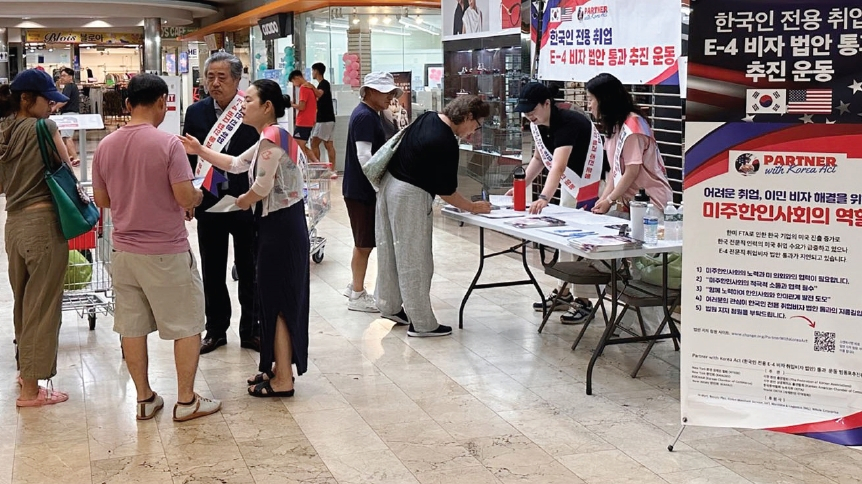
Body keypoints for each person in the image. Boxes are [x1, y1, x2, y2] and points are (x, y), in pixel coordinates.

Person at [92, 74, 221, 421]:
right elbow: (184, 196)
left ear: (128, 104)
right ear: (163, 102)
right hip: (165, 250)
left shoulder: (105, 146)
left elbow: (102, 199)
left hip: (124, 252)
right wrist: (196, 196)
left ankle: (145, 399)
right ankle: (186, 400)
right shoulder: (168, 145)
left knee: (132, 326)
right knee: (188, 323)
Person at [181, 79, 309, 398]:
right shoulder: (268, 136)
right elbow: (236, 164)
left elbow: (261, 187)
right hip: (274, 225)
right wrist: (199, 150)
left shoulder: (274, 137)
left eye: (249, 100)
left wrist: (241, 201)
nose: (243, 105)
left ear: (267, 107)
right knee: (272, 299)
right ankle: (278, 367)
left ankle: (283, 381)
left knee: (279, 302)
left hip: (281, 228)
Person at [376, 95, 492, 337]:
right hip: (409, 194)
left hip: (390, 185)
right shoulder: (445, 141)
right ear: (468, 116)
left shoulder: (428, 118)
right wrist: (472, 207)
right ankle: (422, 323)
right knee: (414, 258)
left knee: (390, 250)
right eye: (477, 125)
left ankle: (390, 306)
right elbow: (447, 191)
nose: (474, 132)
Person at [0, 69, 72, 407]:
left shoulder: (4, 130)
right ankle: (32, 390)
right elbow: (67, 171)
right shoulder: (44, 128)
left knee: (24, 302)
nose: (51, 107)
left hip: (13, 224)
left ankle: (23, 371)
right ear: (28, 99)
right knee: (42, 306)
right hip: (43, 223)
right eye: (47, 100)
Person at [183, 52, 260, 355]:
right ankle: (216, 329)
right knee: (212, 268)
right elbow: (189, 159)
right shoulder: (195, 112)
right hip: (208, 200)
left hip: (245, 200)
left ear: (238, 80)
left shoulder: (251, 109)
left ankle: (252, 329)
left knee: (249, 267)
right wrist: (188, 197)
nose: (214, 83)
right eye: (210, 77)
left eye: (222, 77)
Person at [511, 82, 604, 324]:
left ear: (547, 103)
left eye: (533, 110)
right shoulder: (539, 124)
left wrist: (543, 197)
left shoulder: (569, 122)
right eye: (526, 111)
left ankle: (583, 300)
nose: (529, 115)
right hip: (570, 186)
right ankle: (564, 290)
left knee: (583, 243)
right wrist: (520, 185)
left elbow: (559, 165)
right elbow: (540, 158)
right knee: (565, 240)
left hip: (591, 188)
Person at [342, 72, 401, 315]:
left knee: (364, 241)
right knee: (364, 243)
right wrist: (377, 185)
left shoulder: (369, 114)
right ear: (370, 92)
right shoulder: (365, 117)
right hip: (361, 191)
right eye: (386, 92)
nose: (390, 97)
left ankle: (354, 285)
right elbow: (364, 156)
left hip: (360, 189)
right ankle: (357, 292)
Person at [587, 73, 672, 214]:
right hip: (631, 202)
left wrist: (609, 200)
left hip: (651, 202)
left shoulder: (633, 127)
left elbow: (631, 171)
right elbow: (615, 172)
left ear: (604, 100)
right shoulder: (614, 126)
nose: (589, 105)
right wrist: (603, 200)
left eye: (591, 100)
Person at [307, 63, 337, 170]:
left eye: (313, 71)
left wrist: (311, 87)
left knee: (314, 143)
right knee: (328, 144)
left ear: (317, 71)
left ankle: (318, 168)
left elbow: (319, 94)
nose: (312, 73)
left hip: (324, 120)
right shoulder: (322, 85)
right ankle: (332, 170)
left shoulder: (324, 84)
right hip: (327, 119)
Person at [288, 69, 318, 163]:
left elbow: (302, 107)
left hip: (303, 122)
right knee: (301, 145)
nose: (294, 84)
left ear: (296, 78)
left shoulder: (304, 88)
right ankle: (316, 163)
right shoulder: (310, 88)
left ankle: (305, 167)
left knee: (298, 146)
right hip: (308, 121)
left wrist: (291, 104)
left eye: (293, 82)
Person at [53, 67, 80, 166]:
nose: (62, 78)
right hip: (71, 114)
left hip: (69, 114)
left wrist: (54, 108)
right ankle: (70, 156)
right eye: (61, 76)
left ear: (70, 77)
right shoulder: (73, 86)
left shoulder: (69, 86)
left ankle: (76, 158)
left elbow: (64, 100)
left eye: (64, 76)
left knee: (67, 137)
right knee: (65, 137)